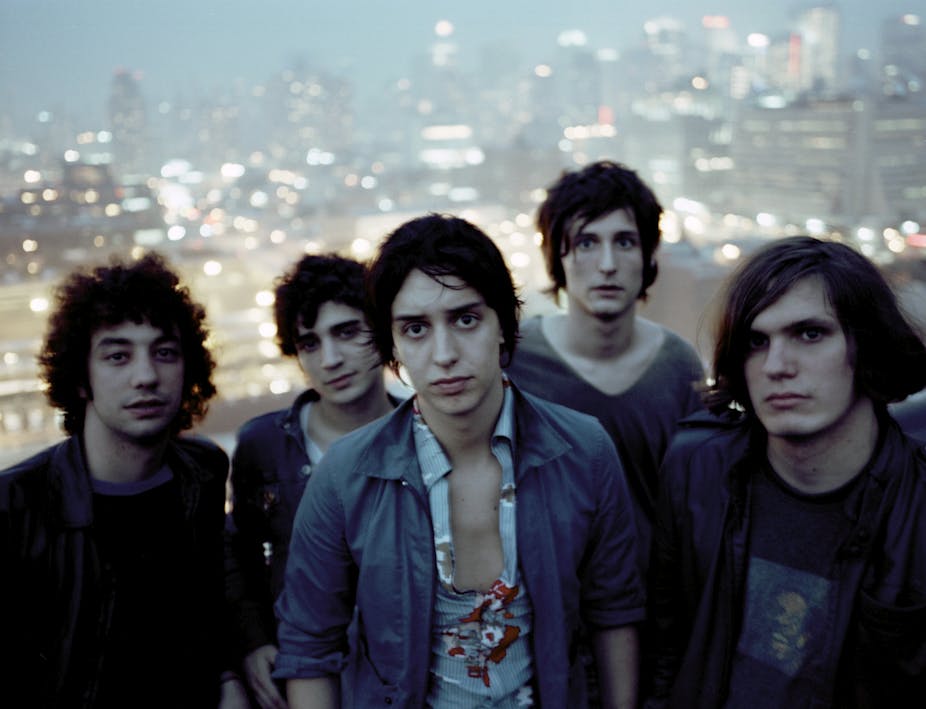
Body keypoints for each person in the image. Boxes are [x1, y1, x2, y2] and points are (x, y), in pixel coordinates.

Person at [274, 214, 645, 707]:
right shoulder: (345, 476)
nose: (444, 353)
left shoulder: (585, 450)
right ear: (394, 345)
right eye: (416, 329)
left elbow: (614, 613)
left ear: (502, 326)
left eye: (465, 319)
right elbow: (309, 646)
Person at [646, 236, 926, 707]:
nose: (777, 366)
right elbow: (665, 648)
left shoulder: (916, 505)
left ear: (867, 345)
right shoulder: (695, 469)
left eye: (810, 334)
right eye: (757, 342)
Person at [0, 252, 241, 707]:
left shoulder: (202, 473)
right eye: (117, 356)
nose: (146, 376)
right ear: (81, 379)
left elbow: (208, 607)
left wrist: (227, 677)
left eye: (165, 353)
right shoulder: (16, 507)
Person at [506, 160, 704, 571]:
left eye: (625, 242)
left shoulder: (679, 367)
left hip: (657, 602)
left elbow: (697, 503)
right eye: (586, 243)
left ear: (649, 255)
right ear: (556, 256)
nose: (608, 264)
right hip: (547, 598)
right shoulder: (517, 363)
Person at [225, 253, 398, 709]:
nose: (331, 359)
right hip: (300, 675)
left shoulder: (423, 437)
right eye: (309, 343)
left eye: (346, 332)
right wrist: (255, 641)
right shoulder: (264, 445)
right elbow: (238, 551)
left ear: (381, 329)